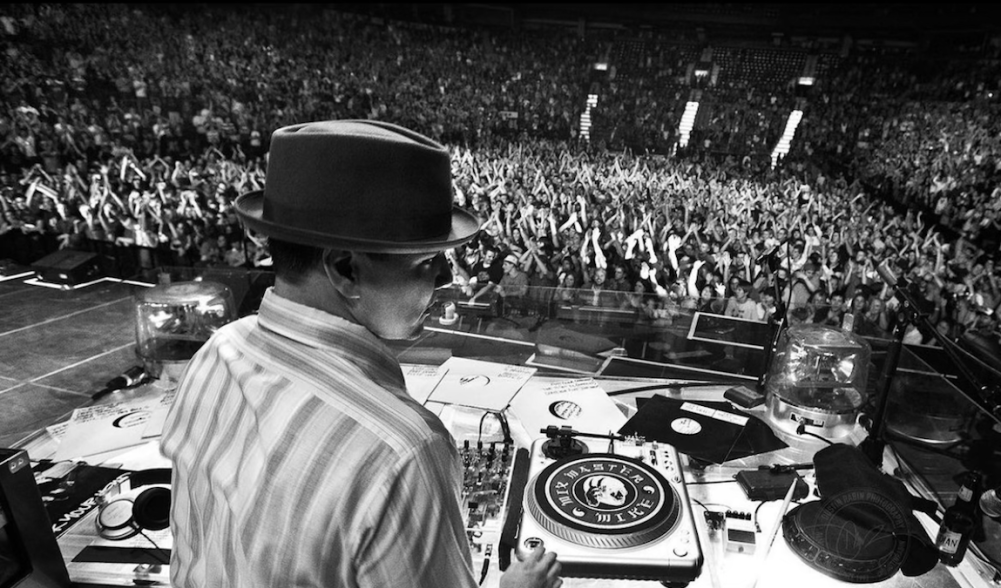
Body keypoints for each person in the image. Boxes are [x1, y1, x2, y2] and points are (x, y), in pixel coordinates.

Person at [161, 120, 562, 588]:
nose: (446, 278)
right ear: (346, 269)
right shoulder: (403, 450)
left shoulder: (217, 351)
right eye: (427, 260)